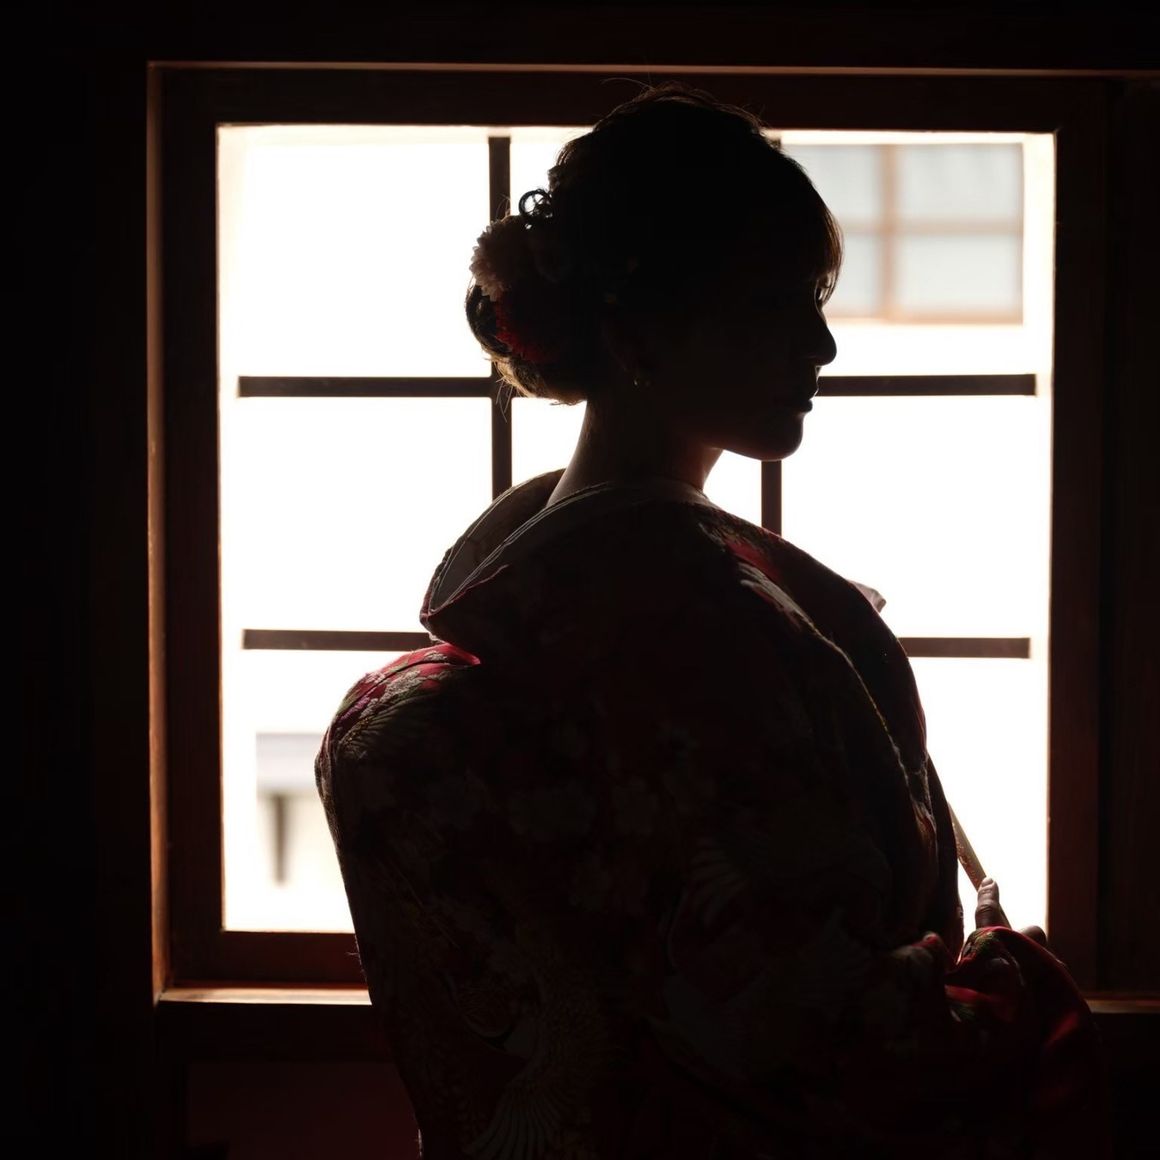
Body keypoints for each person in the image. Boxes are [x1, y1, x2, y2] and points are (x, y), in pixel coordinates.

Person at [316, 83, 1106, 1159]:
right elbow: (831, 1043)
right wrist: (1012, 980)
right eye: (777, 303)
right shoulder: (702, 634)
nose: (822, 345)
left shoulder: (532, 598)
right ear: (641, 327)